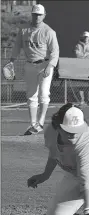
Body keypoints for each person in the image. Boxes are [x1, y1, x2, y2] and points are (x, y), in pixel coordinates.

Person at [8, 4, 59, 136]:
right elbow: (17, 46)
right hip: (29, 64)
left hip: (44, 64)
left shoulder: (49, 32)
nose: (37, 17)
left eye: (40, 15)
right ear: (32, 15)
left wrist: (50, 66)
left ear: (44, 15)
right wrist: (11, 61)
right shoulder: (24, 30)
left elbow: (55, 52)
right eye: (35, 14)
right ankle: (32, 123)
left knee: (43, 93)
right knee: (31, 95)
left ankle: (40, 122)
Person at [74, 31, 89, 107]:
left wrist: (83, 55)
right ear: (82, 37)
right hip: (80, 67)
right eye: (84, 36)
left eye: (87, 37)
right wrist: (87, 54)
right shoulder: (78, 45)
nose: (86, 38)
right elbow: (78, 55)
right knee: (80, 85)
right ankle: (82, 101)